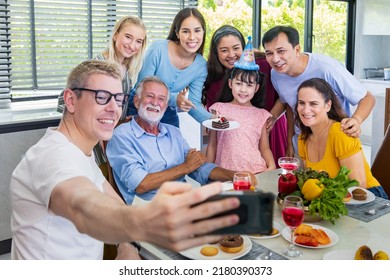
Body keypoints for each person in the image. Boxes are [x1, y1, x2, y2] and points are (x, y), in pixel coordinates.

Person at [10, 60, 243, 260]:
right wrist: (148, 221)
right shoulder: (52, 156)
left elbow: (113, 202)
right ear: (70, 100)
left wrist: (127, 244)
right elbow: (82, 207)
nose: (114, 108)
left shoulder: (83, 153)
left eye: (118, 99)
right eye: (101, 97)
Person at [106, 76, 257, 204]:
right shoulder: (121, 136)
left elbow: (199, 167)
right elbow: (141, 184)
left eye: (161, 99)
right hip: (148, 212)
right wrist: (186, 167)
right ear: (137, 101)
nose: (155, 103)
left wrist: (235, 175)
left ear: (165, 106)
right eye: (150, 96)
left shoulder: (174, 133)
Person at [262, 25, 376, 157]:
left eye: (281, 51)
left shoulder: (327, 68)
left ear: (297, 49)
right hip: (302, 141)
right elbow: (288, 103)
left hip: (335, 139)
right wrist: (286, 138)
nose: (275, 59)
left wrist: (356, 120)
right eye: (269, 53)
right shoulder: (276, 74)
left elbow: (367, 98)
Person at [202, 25, 287, 166]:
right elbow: (214, 133)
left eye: (236, 48)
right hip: (231, 146)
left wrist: (271, 117)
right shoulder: (214, 77)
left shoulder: (263, 65)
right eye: (224, 50)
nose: (231, 55)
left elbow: (284, 97)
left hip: (269, 124)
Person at [296, 78, 388, 199]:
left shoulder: (340, 132)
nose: (306, 110)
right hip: (336, 199)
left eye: (313, 103)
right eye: (301, 103)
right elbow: (311, 181)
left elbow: (358, 185)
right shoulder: (303, 138)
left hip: (368, 197)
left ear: (328, 105)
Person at [128, 7, 213, 127]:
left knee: (174, 143)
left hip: (166, 110)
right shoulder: (158, 49)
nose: (192, 37)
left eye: (197, 30)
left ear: (203, 32)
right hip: (139, 106)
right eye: (185, 31)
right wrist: (175, 98)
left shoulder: (201, 66)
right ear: (177, 33)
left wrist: (214, 120)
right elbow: (142, 87)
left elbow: (193, 104)